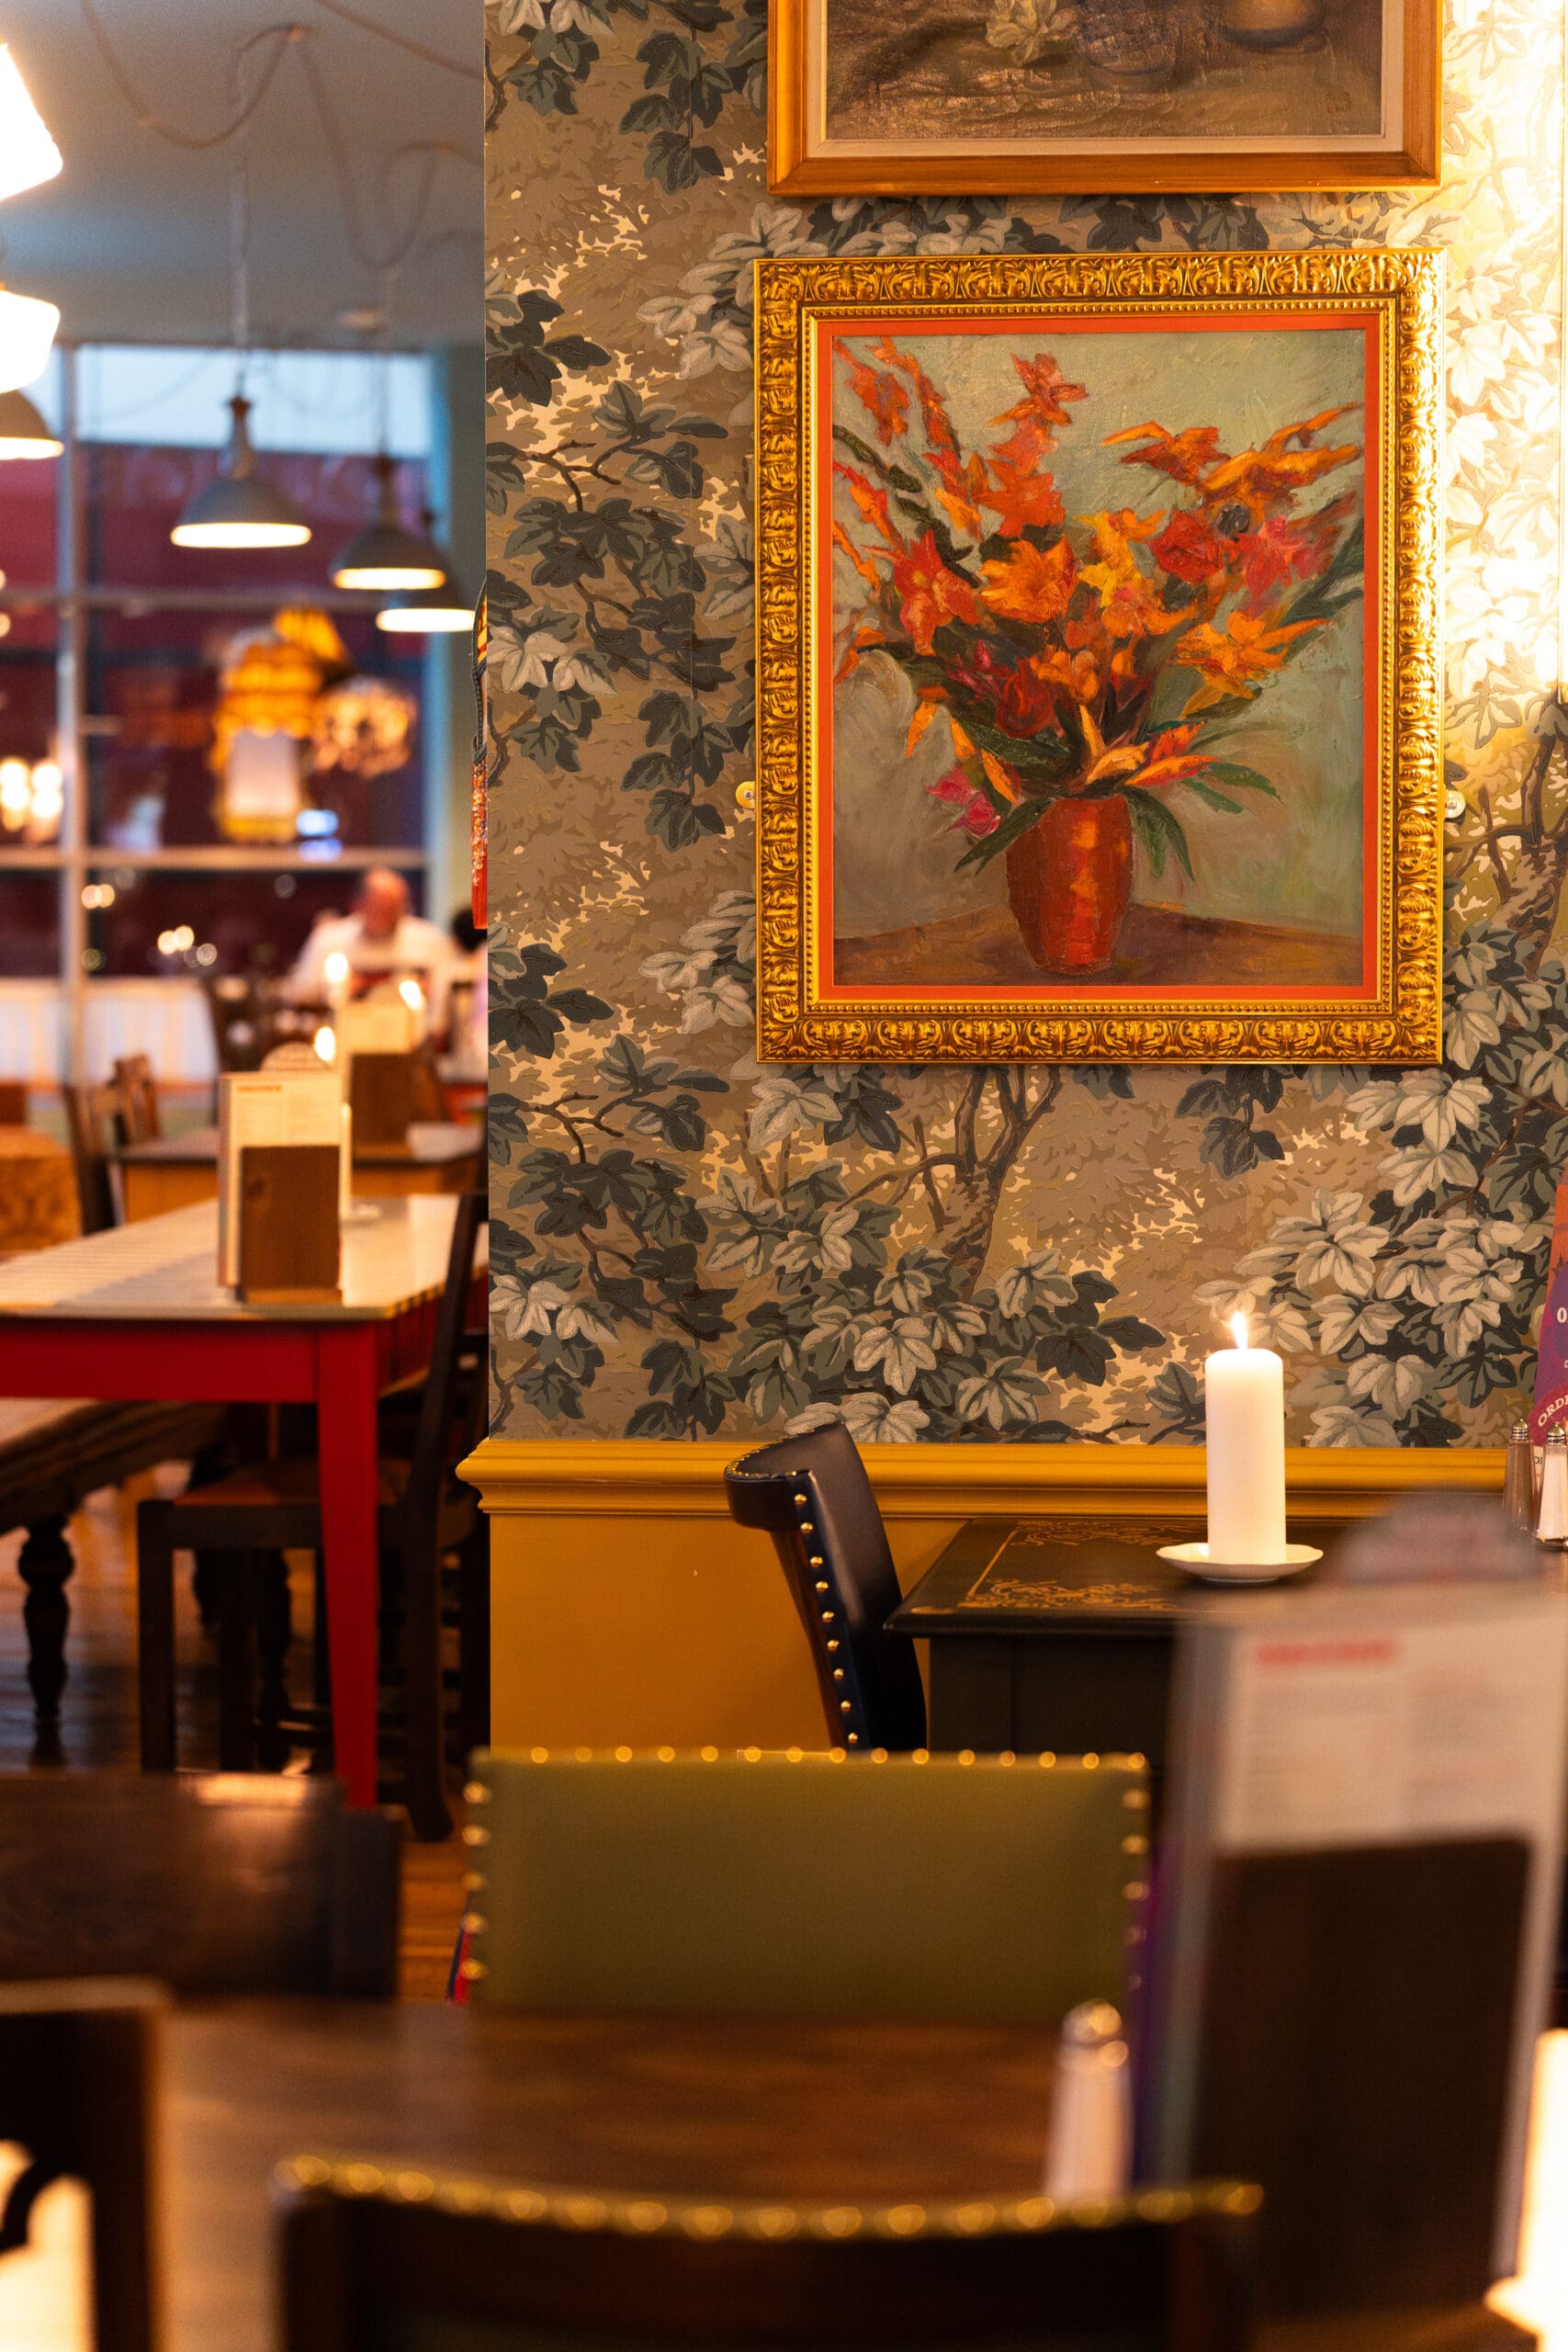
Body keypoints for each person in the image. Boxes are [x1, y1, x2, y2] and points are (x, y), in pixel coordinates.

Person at [286, 867, 455, 1035]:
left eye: (392, 907)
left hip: (410, 1038)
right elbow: (301, 994)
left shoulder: (429, 940)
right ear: (359, 904)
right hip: (345, 1036)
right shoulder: (329, 940)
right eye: (378, 907)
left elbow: (444, 1002)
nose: (385, 916)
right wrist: (338, 988)